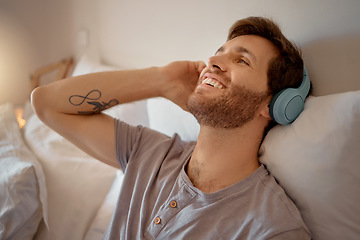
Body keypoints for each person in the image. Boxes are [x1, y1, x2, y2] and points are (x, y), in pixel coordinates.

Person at [31, 17, 311, 239]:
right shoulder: (150, 152)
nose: (213, 62)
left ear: (274, 104)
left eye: (242, 60)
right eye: (218, 54)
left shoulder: (273, 228)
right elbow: (45, 104)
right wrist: (161, 80)